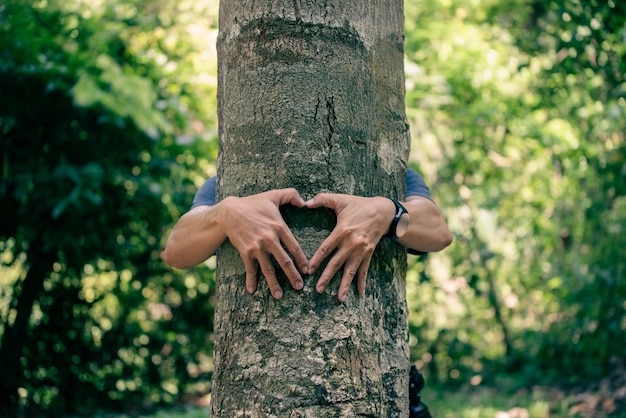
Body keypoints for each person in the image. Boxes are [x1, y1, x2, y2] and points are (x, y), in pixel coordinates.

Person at [161, 168, 453, 302]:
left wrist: (388, 212)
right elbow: (175, 251)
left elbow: (439, 233)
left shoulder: (393, 172)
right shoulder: (224, 181)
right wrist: (224, 214)